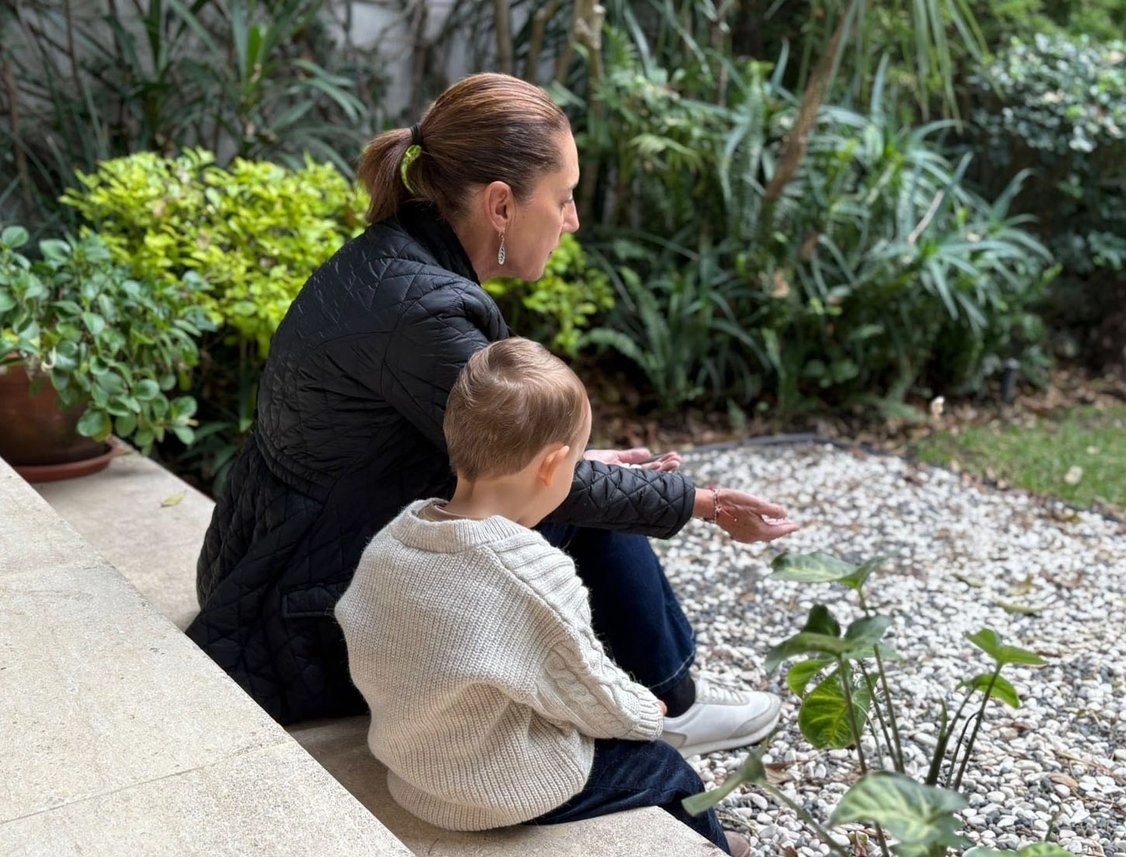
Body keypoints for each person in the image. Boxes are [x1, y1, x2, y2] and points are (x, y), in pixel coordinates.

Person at [188, 73, 800, 756]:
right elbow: (524, 474)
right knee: (570, 499)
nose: (572, 220)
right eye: (563, 199)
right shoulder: (424, 312)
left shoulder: (394, 261)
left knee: (564, 473)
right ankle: (673, 701)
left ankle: (665, 685)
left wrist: (574, 463)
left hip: (270, 558)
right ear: (501, 205)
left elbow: (437, 454)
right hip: (299, 616)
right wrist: (703, 503)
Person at [335, 337, 750, 856]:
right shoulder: (529, 574)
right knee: (667, 771)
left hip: (411, 768)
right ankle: (718, 844)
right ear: (553, 465)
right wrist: (646, 711)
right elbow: (586, 687)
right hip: (493, 789)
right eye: (578, 461)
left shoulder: (398, 535)